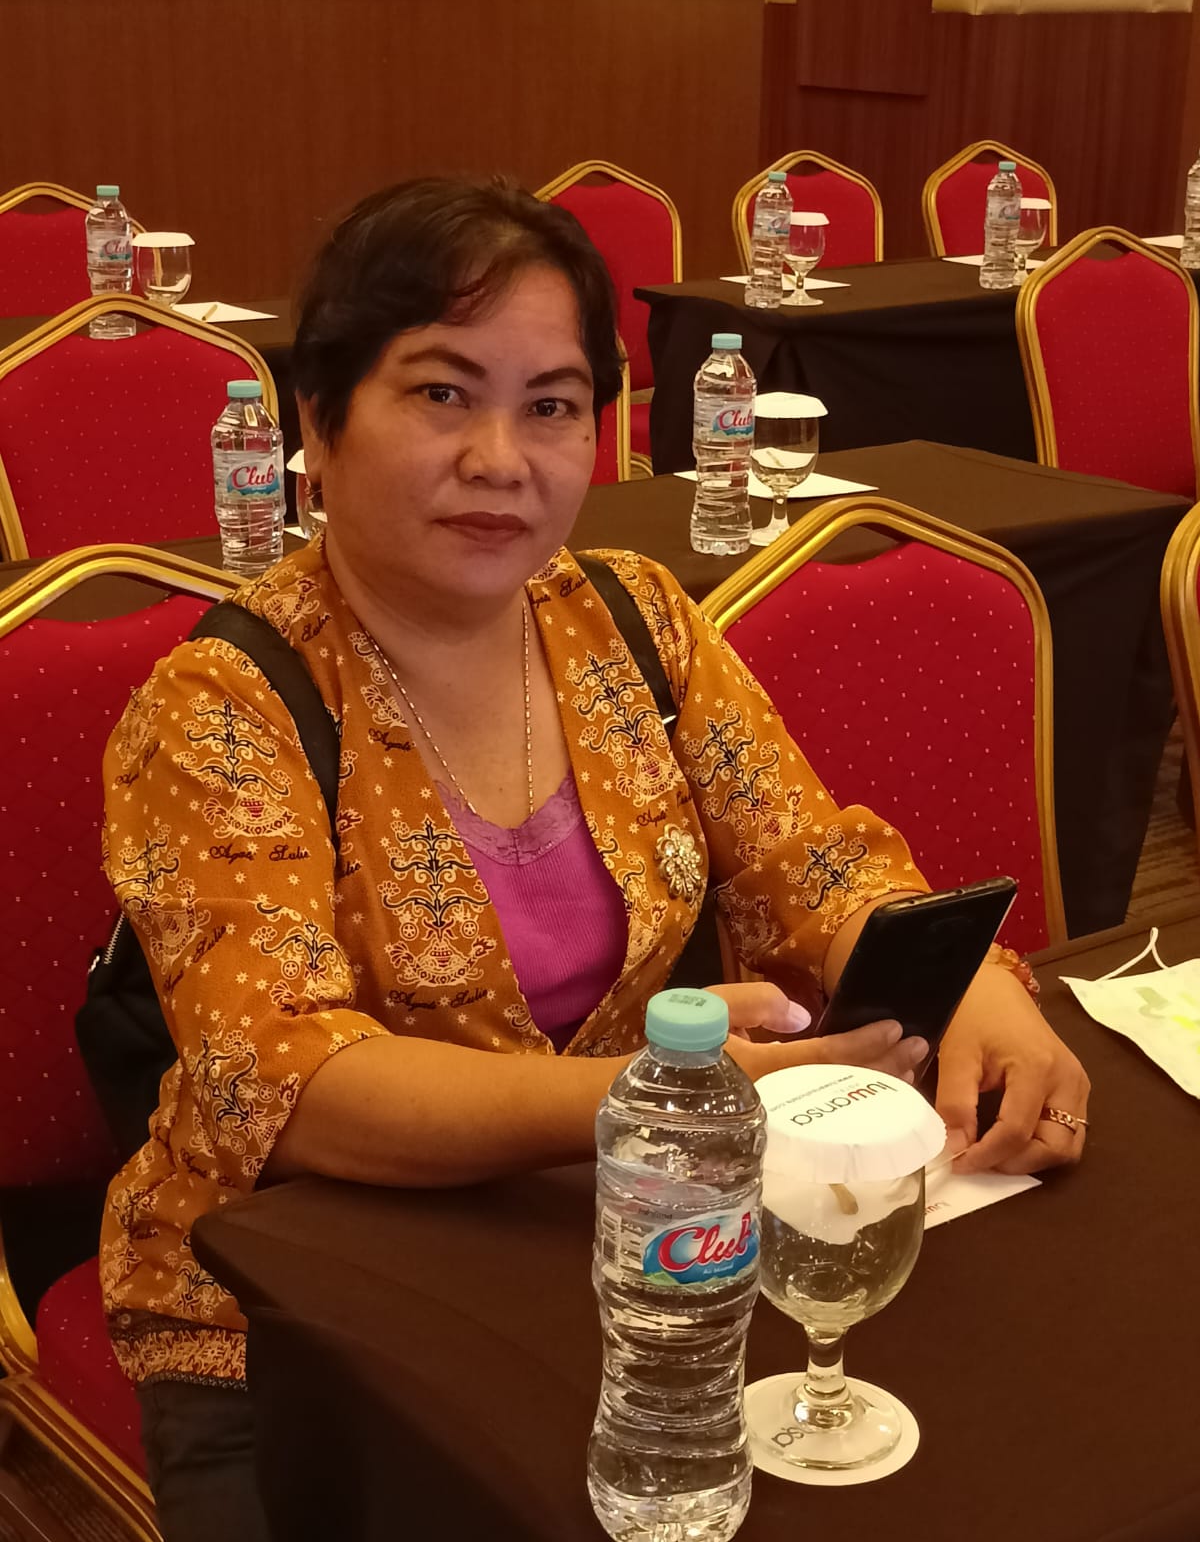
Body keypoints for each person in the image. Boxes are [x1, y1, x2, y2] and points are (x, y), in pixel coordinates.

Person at [99, 177, 1089, 1540]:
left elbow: (810, 862)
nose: (501, 458)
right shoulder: (222, 705)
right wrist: (657, 1098)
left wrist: (973, 987)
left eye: (552, 406)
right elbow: (295, 1091)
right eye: (440, 394)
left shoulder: (633, 620)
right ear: (316, 425)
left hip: (627, 1245)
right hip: (289, 1309)